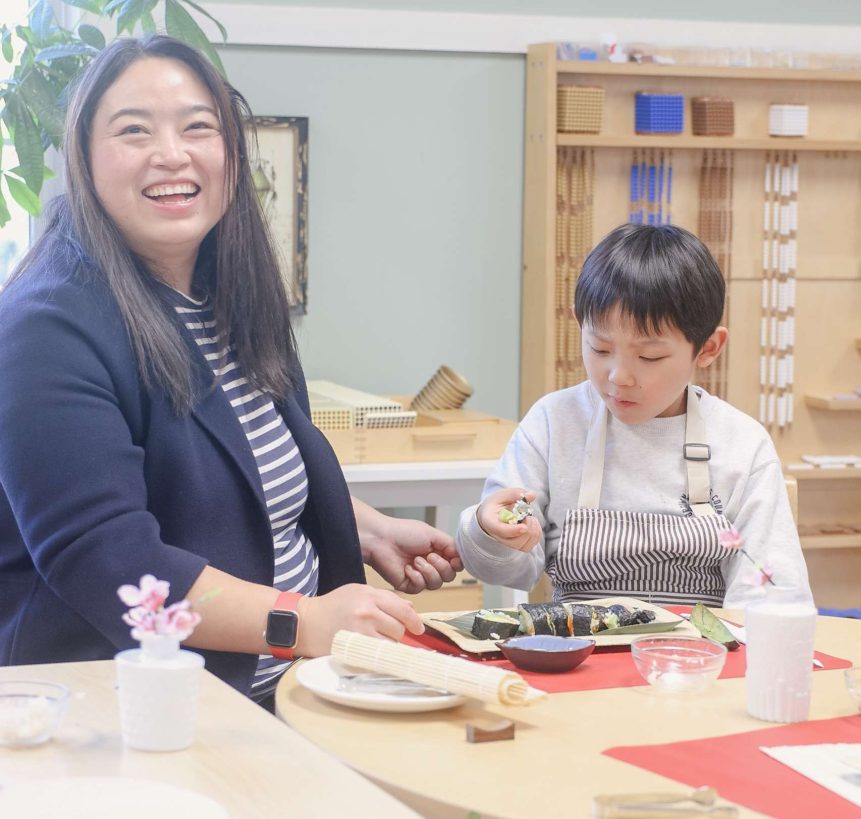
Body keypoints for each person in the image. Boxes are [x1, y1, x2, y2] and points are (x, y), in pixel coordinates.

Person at [0, 36, 462, 701]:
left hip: (289, 696)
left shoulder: (227, 296)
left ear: (230, 154)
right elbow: (116, 566)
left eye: (198, 127)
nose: (172, 153)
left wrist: (367, 527)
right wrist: (303, 621)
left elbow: (233, 474)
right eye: (134, 131)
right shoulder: (45, 327)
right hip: (137, 717)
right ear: (84, 158)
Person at [456, 223, 811, 608]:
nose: (618, 376)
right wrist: (490, 532)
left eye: (649, 357)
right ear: (579, 324)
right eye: (600, 348)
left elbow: (772, 592)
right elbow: (507, 571)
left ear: (708, 348)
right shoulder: (554, 423)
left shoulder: (741, 443)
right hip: (578, 656)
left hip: (697, 660)